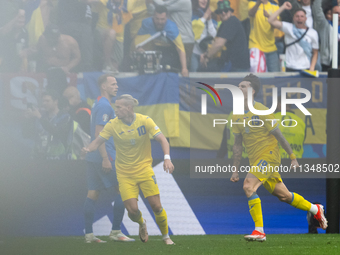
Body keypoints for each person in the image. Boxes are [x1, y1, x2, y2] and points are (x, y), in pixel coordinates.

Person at [230, 74, 327, 241]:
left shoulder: (262, 111)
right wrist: (235, 170)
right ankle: (315, 209)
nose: (238, 89)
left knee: (248, 186)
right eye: (238, 86)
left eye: (243, 86)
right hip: (256, 160)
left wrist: (292, 157)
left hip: (269, 156)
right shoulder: (236, 115)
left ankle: (259, 231)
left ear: (252, 91)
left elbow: (280, 136)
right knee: (284, 196)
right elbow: (237, 145)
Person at [82, 94, 175, 245]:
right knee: (132, 212)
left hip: (144, 170)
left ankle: (166, 236)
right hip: (124, 174)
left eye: (118, 107)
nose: (115, 110)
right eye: (115, 106)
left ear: (129, 108)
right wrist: (87, 149)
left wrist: (167, 158)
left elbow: (162, 139)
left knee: (156, 206)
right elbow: (98, 141)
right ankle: (141, 223)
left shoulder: (145, 120)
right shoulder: (112, 125)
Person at [83, 74, 134, 243]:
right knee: (122, 188)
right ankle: (116, 231)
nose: (116, 86)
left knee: (93, 193)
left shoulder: (98, 103)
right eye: (112, 84)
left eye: (117, 83)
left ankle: (89, 235)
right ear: (103, 86)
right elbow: (100, 134)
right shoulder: (105, 106)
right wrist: (105, 157)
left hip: (92, 157)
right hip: (103, 155)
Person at [135, 5, 189, 77]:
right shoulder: (146, 24)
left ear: (167, 17)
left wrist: (184, 68)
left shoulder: (172, 27)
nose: (160, 22)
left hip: (169, 53)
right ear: (153, 16)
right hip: (152, 53)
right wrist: (141, 51)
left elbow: (180, 49)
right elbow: (137, 43)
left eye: (162, 19)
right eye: (157, 19)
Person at [200, 0, 250, 72]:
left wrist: (207, 56)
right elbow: (216, 42)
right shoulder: (225, 24)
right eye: (221, 11)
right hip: (233, 65)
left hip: (238, 67)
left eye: (226, 10)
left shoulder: (231, 21)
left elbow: (219, 44)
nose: (223, 13)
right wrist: (205, 54)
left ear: (230, 11)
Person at [268, 2, 319, 72]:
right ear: (293, 18)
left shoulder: (313, 33)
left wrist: (312, 68)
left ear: (305, 19)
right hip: (289, 66)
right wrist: (283, 7)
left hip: (305, 67)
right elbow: (270, 20)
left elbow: (315, 52)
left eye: (302, 16)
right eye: (297, 16)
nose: (299, 18)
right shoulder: (288, 27)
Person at [24, 90, 73, 160]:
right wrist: (27, 120)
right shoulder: (40, 117)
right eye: (43, 101)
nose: (44, 103)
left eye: (47, 101)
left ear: (56, 101)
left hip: (59, 160)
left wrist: (40, 117)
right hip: (39, 159)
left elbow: (57, 132)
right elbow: (26, 135)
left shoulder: (65, 117)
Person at [248, 0, 281, 73]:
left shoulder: (275, 6)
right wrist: (259, 2)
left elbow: (277, 25)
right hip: (256, 46)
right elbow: (251, 13)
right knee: (256, 77)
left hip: (271, 47)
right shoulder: (252, 3)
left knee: (275, 76)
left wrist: (269, 16)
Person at [190, 0, 217, 72]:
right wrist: (205, 17)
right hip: (194, 54)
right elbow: (194, 33)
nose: (204, 1)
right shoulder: (191, 14)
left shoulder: (213, 15)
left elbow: (215, 36)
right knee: (195, 79)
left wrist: (209, 20)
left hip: (208, 55)